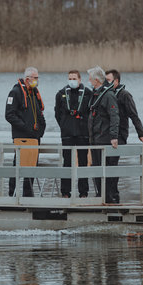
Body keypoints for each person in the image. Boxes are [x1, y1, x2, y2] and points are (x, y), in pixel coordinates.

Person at [105, 69, 143, 200]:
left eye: (108, 80)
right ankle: (105, 194)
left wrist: (141, 134)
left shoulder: (125, 95)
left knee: (112, 164)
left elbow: (134, 115)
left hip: (120, 135)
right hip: (106, 135)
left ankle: (113, 194)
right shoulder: (105, 94)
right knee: (104, 165)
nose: (106, 83)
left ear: (116, 81)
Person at [5, 67, 46, 197]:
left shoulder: (34, 92)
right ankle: (12, 193)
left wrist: (41, 129)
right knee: (17, 165)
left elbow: (39, 112)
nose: (37, 81)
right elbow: (9, 115)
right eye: (35, 78)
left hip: (35, 137)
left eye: (37, 78)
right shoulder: (15, 92)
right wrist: (25, 127)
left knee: (32, 166)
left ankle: (28, 194)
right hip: (21, 137)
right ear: (27, 79)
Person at [55, 70, 92, 198]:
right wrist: (65, 126)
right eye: (70, 78)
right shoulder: (61, 94)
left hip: (83, 133)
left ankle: (83, 192)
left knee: (83, 162)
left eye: (74, 78)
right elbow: (57, 114)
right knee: (67, 163)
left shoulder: (88, 93)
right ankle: (65, 192)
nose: (72, 80)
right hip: (67, 134)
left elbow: (90, 113)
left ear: (80, 79)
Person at [87, 66, 120, 203]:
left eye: (90, 79)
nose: (88, 82)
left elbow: (114, 116)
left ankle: (108, 197)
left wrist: (113, 136)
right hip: (95, 139)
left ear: (96, 80)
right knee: (96, 169)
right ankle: (100, 196)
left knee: (105, 170)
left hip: (104, 139)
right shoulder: (95, 94)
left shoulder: (108, 95)